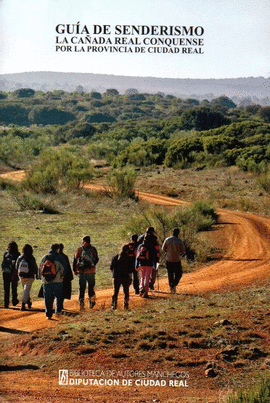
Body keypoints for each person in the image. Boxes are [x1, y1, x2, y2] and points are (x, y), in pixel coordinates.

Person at [73, 236, 99, 311]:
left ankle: (81, 305)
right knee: (91, 288)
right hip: (91, 272)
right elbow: (96, 259)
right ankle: (92, 302)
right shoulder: (93, 249)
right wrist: (92, 265)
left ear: (84, 241)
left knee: (82, 289)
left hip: (81, 272)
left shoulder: (80, 249)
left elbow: (75, 259)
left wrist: (74, 269)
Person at [39, 244, 64, 320]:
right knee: (59, 296)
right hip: (57, 280)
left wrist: (41, 278)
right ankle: (58, 312)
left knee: (48, 297)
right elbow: (62, 269)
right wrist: (62, 277)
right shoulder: (59, 257)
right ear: (57, 249)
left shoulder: (44, 257)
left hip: (46, 281)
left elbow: (40, 268)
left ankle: (48, 314)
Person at [162, 228, 186, 294]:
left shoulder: (167, 239)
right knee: (179, 273)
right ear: (178, 233)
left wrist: (167, 252)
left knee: (170, 274)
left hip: (168, 259)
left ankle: (172, 286)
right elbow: (183, 251)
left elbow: (163, 249)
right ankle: (174, 284)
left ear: (172, 232)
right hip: (177, 260)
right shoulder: (179, 241)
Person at [16, 244, 38, 311]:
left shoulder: (20, 257)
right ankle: (23, 304)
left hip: (21, 275)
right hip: (30, 276)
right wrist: (36, 274)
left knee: (26, 290)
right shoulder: (31, 258)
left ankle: (28, 302)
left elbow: (16, 266)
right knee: (26, 290)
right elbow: (35, 266)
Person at [110, 245, 133, 310]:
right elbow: (130, 269)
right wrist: (130, 277)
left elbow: (111, 267)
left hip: (116, 276)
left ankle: (114, 305)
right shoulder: (128, 258)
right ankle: (126, 305)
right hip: (125, 276)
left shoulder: (115, 257)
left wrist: (114, 273)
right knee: (126, 291)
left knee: (115, 291)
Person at [136, 232, 157, 298]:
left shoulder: (140, 246)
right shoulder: (152, 246)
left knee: (142, 277)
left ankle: (141, 290)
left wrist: (136, 265)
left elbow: (137, 256)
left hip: (142, 264)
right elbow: (154, 257)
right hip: (149, 264)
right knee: (147, 277)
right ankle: (146, 292)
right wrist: (155, 265)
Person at [1, 241, 20, 308]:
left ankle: (6, 303)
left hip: (5, 272)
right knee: (14, 287)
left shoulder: (6, 253)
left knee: (6, 288)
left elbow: (3, 263)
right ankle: (14, 301)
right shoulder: (17, 254)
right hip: (13, 272)